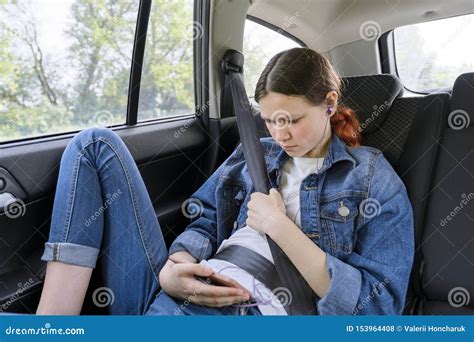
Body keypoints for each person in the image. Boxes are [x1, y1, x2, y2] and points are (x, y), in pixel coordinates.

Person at [36, 47, 414, 316]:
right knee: (94, 144)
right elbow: (203, 219)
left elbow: (377, 309)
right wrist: (176, 266)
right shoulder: (256, 153)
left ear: (329, 103)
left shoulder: (371, 178)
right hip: (179, 292)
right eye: (270, 120)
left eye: (292, 119)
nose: (280, 133)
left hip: (249, 311)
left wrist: (279, 227)